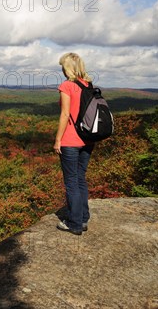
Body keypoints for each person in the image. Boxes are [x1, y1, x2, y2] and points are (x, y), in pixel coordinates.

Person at [53, 53, 95, 236]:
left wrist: (57, 140)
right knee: (80, 179)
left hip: (70, 140)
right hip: (88, 139)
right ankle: (84, 218)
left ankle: (74, 223)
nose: (62, 69)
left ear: (67, 68)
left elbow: (64, 114)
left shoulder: (67, 86)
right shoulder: (89, 85)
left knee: (71, 182)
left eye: (63, 66)